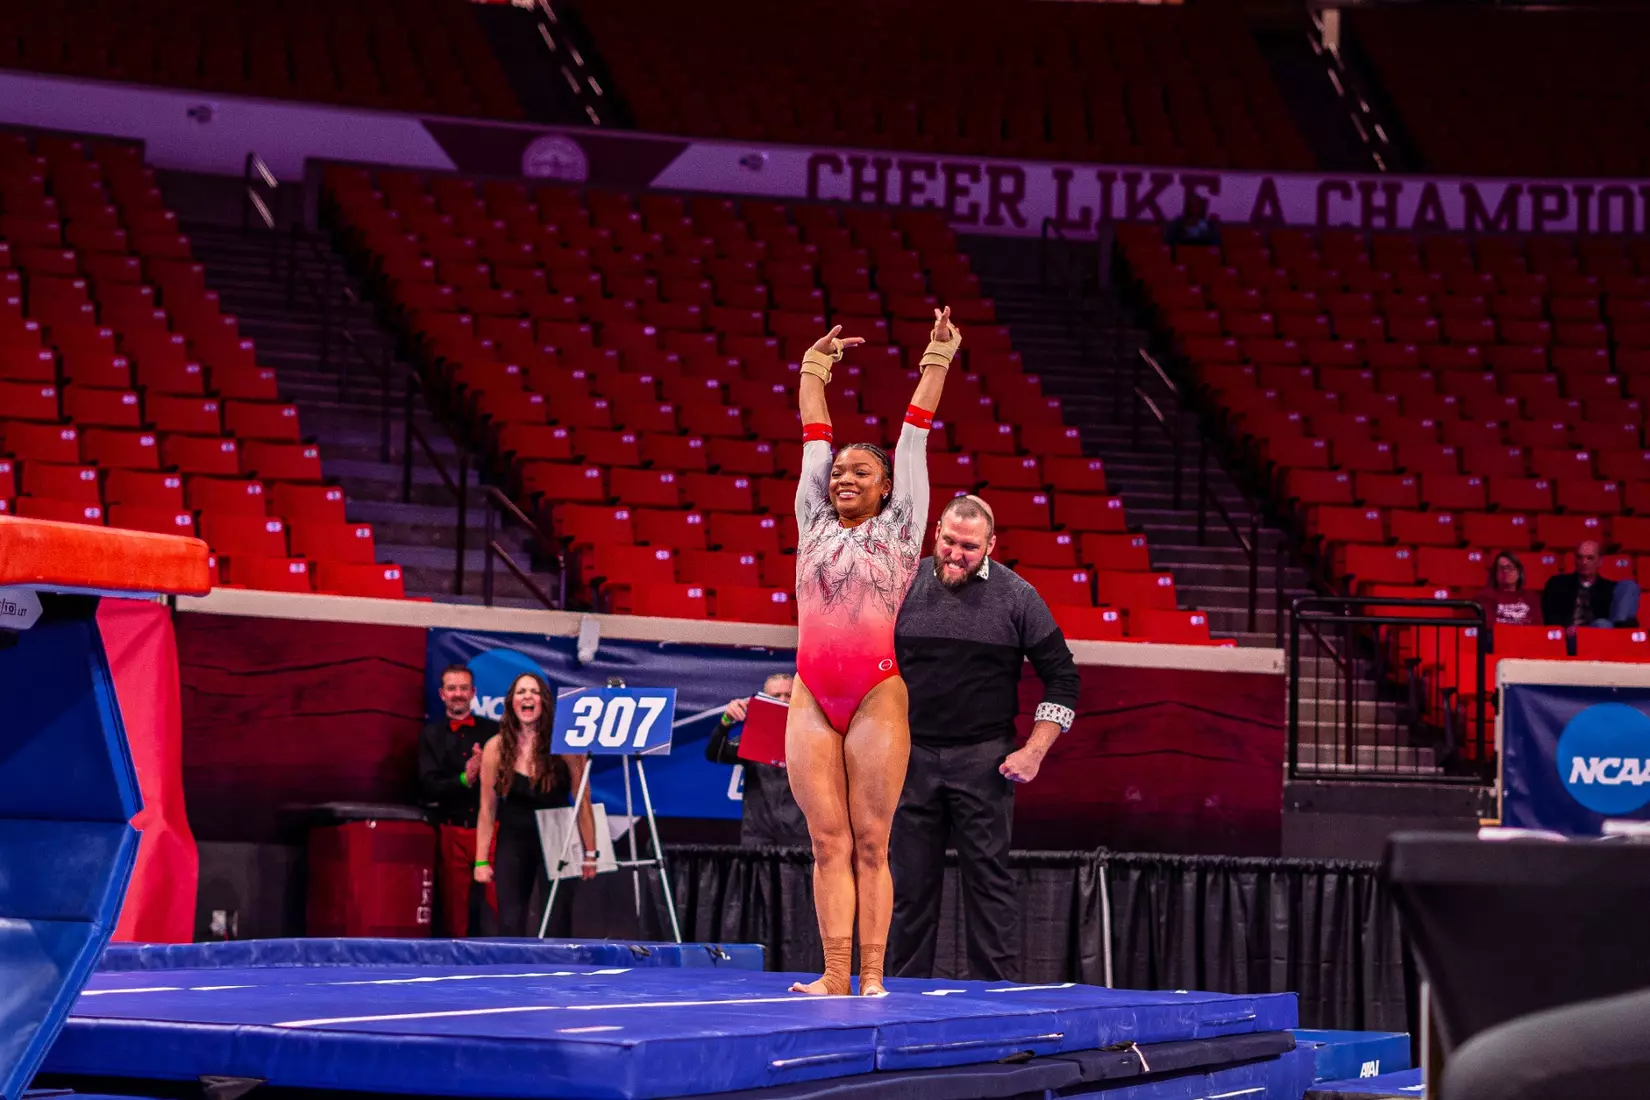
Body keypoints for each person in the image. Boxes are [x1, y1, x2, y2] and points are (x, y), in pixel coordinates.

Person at [786, 308, 958, 997]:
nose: (843, 478)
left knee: (870, 842)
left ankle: (874, 977)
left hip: (875, 691)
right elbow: (812, 440)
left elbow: (913, 438)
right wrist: (813, 368)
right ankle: (833, 975)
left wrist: (937, 361)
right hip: (810, 691)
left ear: (888, 487)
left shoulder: (903, 524)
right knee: (825, 841)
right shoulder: (812, 519)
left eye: (861, 471)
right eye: (840, 474)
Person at [888, 494, 1081, 981]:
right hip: (908, 758)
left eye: (969, 547)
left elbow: (1063, 677)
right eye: (949, 541)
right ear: (936, 533)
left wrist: (1035, 750)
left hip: (984, 761)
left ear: (992, 545)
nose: (955, 554)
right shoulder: (899, 585)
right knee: (909, 889)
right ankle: (897, 997)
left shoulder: (1018, 597)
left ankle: (997, 1002)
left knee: (989, 888)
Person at [474, 672, 598, 937]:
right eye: (521, 692)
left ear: (544, 702)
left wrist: (590, 853)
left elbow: (582, 802)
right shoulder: (495, 747)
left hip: (559, 835)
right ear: (511, 703)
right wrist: (480, 860)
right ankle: (510, 975)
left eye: (534, 691)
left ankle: (556, 975)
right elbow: (487, 808)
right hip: (514, 836)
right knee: (509, 917)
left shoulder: (566, 745)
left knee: (557, 918)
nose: (527, 696)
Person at [417, 663, 499, 936]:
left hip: (493, 831)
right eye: (452, 688)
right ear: (442, 694)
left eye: (464, 688)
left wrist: (486, 769)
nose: (458, 694)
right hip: (451, 830)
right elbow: (428, 787)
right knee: (454, 912)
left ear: (473, 692)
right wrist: (464, 780)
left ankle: (510, 967)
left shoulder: (494, 733)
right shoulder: (431, 735)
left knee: (499, 907)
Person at [704, 671, 809, 847]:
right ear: (764, 700)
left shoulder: (816, 738)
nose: (783, 700)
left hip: (800, 840)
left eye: (789, 695)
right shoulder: (753, 738)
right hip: (758, 838)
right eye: (776, 696)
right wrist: (726, 721)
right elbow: (715, 754)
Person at [1540, 539, 1640, 633]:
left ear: (1600, 561)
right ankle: (1618, 634)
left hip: (1600, 632)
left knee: (1629, 586)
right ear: (1575, 560)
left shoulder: (1608, 588)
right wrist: (1565, 630)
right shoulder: (1558, 583)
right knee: (1603, 625)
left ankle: (1619, 629)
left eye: (1590, 558)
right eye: (1580, 558)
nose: (1584, 562)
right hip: (1570, 635)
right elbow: (1550, 616)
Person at [1475, 551, 1539, 631]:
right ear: (1495, 573)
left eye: (1509, 567)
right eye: (1501, 568)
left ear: (1518, 572)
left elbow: (1537, 625)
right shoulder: (1485, 596)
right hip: (1498, 640)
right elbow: (1489, 625)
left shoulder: (1531, 597)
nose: (1505, 571)